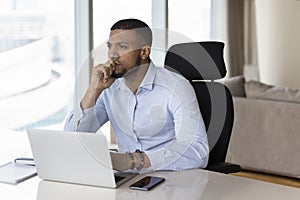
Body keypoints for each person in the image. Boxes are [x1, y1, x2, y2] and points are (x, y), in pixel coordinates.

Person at [64, 18, 209, 172]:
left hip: (170, 179)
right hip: (125, 180)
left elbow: (197, 151)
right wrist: (93, 90)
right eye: (110, 46)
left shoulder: (176, 86)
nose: (112, 54)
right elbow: (71, 141)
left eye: (122, 46)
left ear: (144, 52)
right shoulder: (108, 88)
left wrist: (133, 161)